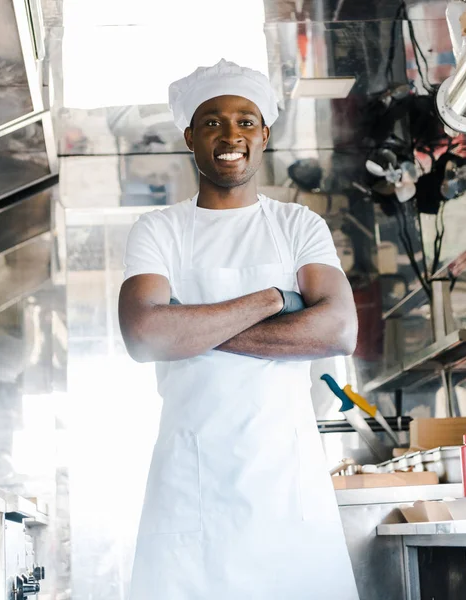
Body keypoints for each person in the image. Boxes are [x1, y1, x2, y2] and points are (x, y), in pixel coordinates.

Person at [119, 59, 360, 600]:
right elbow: (143, 337)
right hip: (191, 484)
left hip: (287, 484)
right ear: (190, 136)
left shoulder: (299, 226)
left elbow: (339, 330)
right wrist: (274, 300)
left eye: (246, 121)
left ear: (264, 134)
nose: (231, 135)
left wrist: (190, 324)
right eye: (213, 122)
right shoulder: (160, 230)